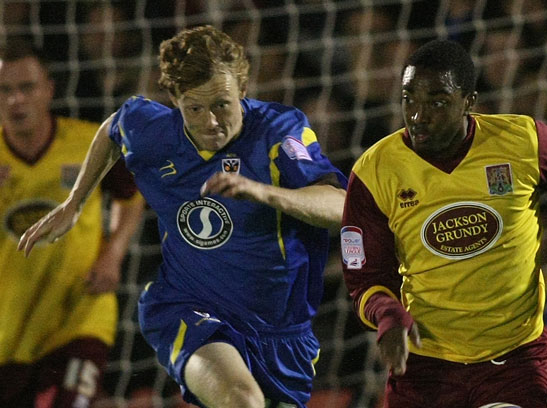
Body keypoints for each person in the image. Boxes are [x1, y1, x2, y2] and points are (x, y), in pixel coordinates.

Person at [18, 25, 347, 408]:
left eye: (222, 104)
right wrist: (74, 203)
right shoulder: (155, 131)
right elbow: (115, 127)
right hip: (187, 308)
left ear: (242, 90)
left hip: (280, 331)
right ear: (174, 99)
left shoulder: (278, 131)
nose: (210, 122)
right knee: (243, 401)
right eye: (194, 108)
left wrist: (265, 192)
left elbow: (339, 206)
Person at [340, 39, 547, 408]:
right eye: (408, 98)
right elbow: (364, 277)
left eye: (437, 102)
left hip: (514, 362)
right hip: (425, 365)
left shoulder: (522, 141)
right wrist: (387, 314)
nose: (418, 114)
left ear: (469, 102)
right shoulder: (374, 171)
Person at [0, 38, 144, 407]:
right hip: (9, 331)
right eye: (4, 90)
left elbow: (132, 197)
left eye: (26, 87)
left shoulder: (88, 144)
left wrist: (113, 254)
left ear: (48, 89)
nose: (16, 100)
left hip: (78, 317)